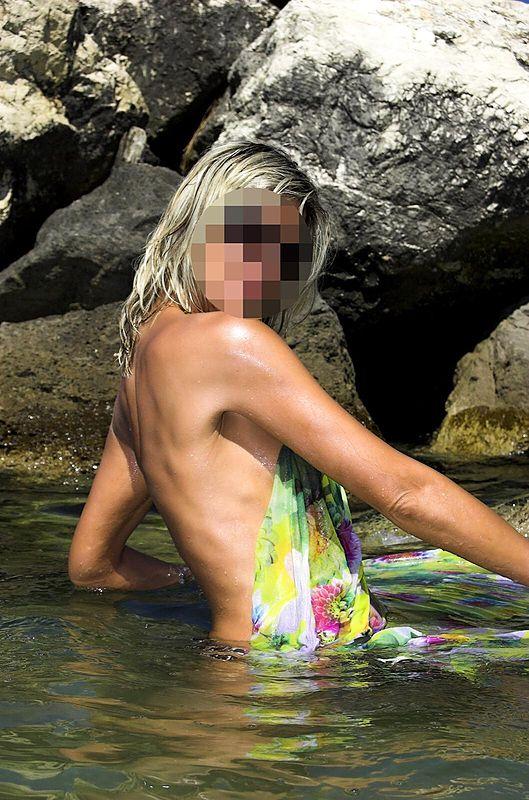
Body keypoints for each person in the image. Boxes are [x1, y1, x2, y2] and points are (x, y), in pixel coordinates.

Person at [68, 139, 529, 654]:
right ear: (196, 223)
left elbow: (93, 565)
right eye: (248, 237)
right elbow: (405, 494)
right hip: (309, 664)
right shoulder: (231, 341)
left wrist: (208, 582)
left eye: (285, 253)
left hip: (240, 662)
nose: (263, 267)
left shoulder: (139, 366)